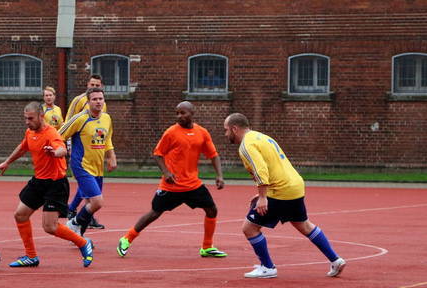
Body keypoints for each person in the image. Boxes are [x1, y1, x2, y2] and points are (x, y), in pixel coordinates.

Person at [223, 112, 346, 278]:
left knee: (249, 228)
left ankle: (267, 267)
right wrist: (261, 193)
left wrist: (263, 197)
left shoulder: (246, 146)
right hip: (294, 185)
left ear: (234, 129)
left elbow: (261, 170)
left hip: (280, 190)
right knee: (303, 225)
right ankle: (335, 260)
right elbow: (275, 166)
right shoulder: (262, 137)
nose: (226, 134)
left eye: (226, 130)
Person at [117, 101, 226, 258]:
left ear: (192, 113)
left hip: (193, 185)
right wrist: (166, 173)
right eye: (177, 113)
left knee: (212, 209)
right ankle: (127, 238)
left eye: (183, 113)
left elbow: (213, 155)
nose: (179, 116)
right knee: (154, 213)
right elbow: (157, 154)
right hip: (172, 185)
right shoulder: (171, 132)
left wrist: (219, 175)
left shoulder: (202, 133)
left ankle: (207, 247)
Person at [0, 102, 94, 268]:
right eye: (25, 118)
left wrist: (55, 153)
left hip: (55, 184)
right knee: (20, 215)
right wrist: (7, 162)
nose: (27, 122)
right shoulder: (30, 132)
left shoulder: (51, 133)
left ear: (41, 116)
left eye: (30, 118)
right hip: (39, 181)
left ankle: (83, 243)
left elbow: (62, 149)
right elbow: (22, 147)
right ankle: (31, 256)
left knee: (50, 227)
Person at [59, 87, 117, 237]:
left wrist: (111, 156)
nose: (98, 102)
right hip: (81, 166)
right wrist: (59, 151)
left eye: (101, 99)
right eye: (94, 99)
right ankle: (74, 223)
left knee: (90, 204)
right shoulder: (80, 118)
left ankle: (79, 237)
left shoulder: (106, 118)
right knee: (97, 202)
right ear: (88, 102)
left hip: (98, 167)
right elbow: (60, 135)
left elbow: (107, 139)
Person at [64, 74, 108, 229]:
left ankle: (80, 226)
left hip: (97, 162)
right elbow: (67, 124)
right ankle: (74, 219)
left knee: (92, 199)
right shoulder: (79, 105)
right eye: (92, 85)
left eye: (97, 86)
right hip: (81, 162)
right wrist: (65, 149)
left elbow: (104, 132)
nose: (94, 88)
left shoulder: (105, 114)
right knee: (95, 199)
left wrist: (111, 155)